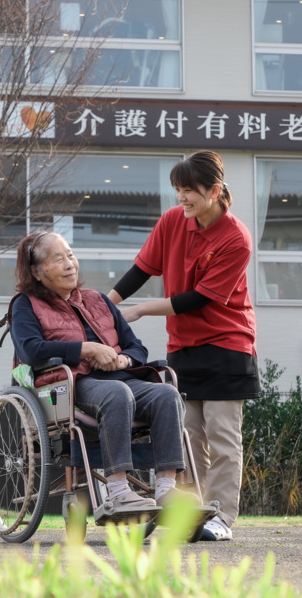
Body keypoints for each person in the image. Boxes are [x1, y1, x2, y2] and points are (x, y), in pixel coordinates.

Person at [107, 150, 259, 541]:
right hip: (183, 345)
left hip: (228, 346)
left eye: (188, 190)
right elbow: (142, 268)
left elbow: (199, 299)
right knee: (188, 440)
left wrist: (139, 311)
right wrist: (105, 306)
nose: (181, 198)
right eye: (177, 190)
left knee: (223, 437)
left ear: (215, 190)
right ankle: (191, 516)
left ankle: (222, 519)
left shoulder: (236, 238)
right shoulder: (174, 221)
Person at [9, 230, 187, 515]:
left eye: (71, 255)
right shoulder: (25, 304)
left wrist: (124, 361)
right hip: (72, 383)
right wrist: (86, 350)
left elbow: (136, 347)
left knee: (167, 394)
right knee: (117, 394)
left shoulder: (98, 300)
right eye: (58, 259)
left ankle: (166, 489)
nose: (70, 264)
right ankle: (118, 492)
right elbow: (31, 351)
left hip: (121, 378)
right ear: (37, 271)